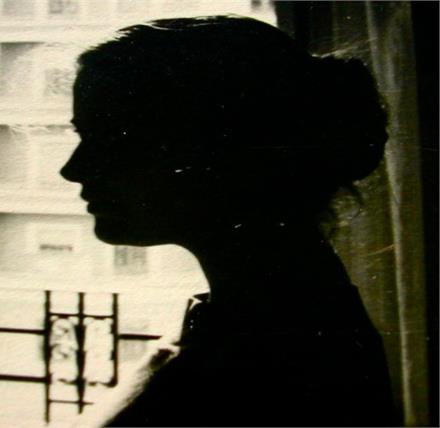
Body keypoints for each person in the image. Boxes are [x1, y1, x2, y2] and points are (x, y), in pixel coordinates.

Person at [60, 15, 397, 427]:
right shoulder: (292, 323)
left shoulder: (262, 363)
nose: (73, 169)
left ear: (225, 148)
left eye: (114, 139)